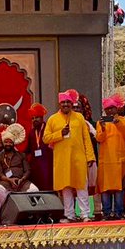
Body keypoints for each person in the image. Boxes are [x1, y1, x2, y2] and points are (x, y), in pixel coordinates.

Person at [44, 89, 96, 223]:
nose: (66, 104)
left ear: (72, 103)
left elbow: (86, 138)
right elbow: (46, 138)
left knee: (81, 186)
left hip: (79, 158)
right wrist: (60, 134)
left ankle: (85, 214)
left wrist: (90, 157)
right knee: (66, 187)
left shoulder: (79, 117)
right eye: (63, 102)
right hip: (62, 160)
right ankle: (69, 215)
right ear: (59, 104)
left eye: (68, 102)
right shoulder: (52, 119)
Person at [0, 123, 38, 224]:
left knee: (34, 190)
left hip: (22, 181)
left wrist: (22, 179)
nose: (8, 144)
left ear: (13, 143)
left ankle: (28, 214)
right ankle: (11, 209)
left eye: (10, 142)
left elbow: (28, 170)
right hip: (7, 182)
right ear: (3, 143)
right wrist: (10, 180)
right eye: (6, 142)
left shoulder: (21, 155)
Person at [95, 95, 125, 220]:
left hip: (119, 160)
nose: (109, 111)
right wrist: (103, 128)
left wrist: (118, 124)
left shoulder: (124, 120)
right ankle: (107, 213)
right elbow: (99, 139)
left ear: (116, 108)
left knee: (118, 188)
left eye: (112, 108)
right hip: (106, 161)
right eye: (107, 109)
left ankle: (119, 212)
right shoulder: (100, 123)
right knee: (105, 188)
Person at [26, 104, 54, 191]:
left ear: (42, 118)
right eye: (33, 118)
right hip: (35, 166)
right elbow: (28, 150)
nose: (34, 120)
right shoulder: (31, 133)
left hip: (48, 164)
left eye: (37, 117)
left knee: (49, 188)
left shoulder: (48, 129)